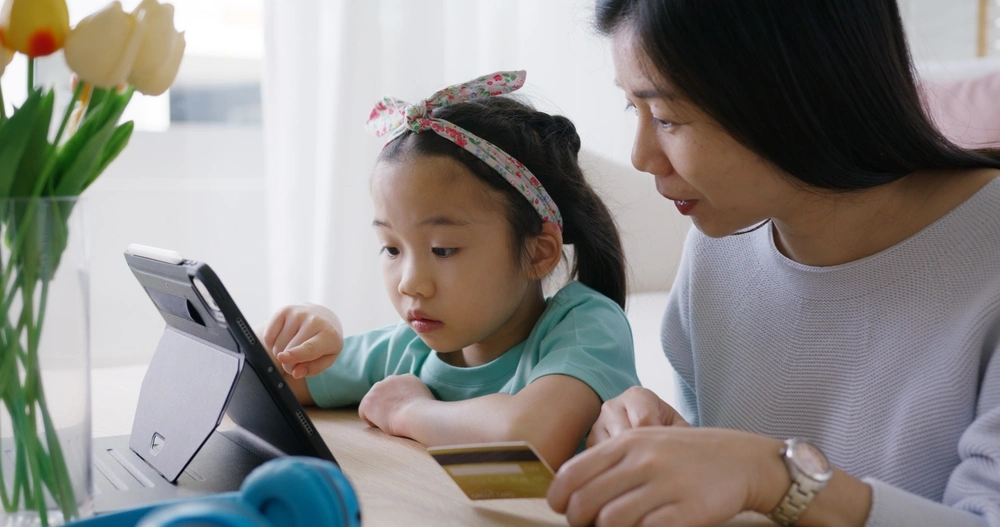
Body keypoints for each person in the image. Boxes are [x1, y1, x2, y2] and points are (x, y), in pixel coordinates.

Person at [545, 1, 1000, 526]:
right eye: (635, 108)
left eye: (666, 117)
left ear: (794, 93)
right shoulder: (719, 248)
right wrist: (674, 447)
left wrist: (777, 476)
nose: (642, 156)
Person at [260, 71, 640, 470]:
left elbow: (529, 438)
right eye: (391, 248)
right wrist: (305, 331)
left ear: (538, 253)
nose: (410, 283)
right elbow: (263, 378)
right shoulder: (409, 348)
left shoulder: (585, 326)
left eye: (443, 250)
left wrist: (409, 412)